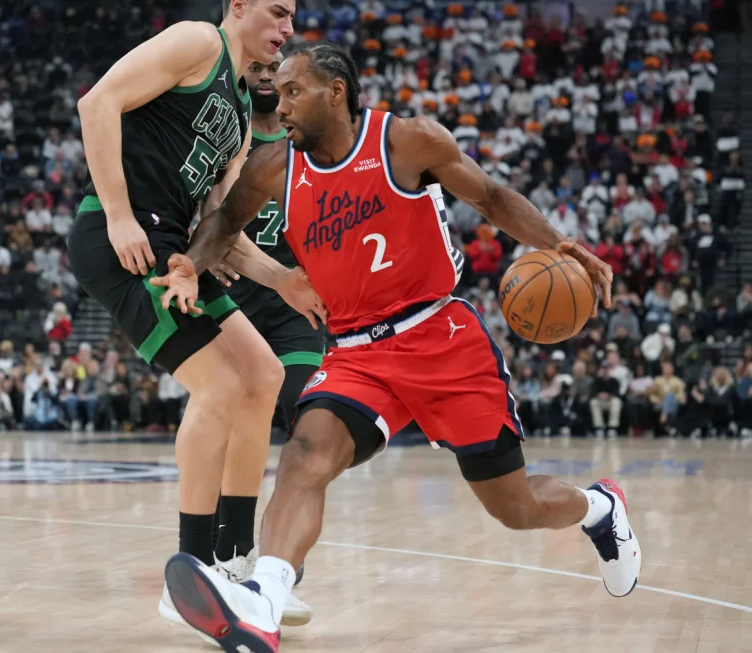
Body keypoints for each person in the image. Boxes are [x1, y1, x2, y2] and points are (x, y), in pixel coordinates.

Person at [155, 43, 639, 652]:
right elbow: (223, 224)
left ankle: (599, 509)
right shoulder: (273, 167)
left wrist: (563, 245)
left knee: (514, 507)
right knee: (305, 454)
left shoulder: (406, 143)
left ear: (335, 92)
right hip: (357, 350)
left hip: (441, 337)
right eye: (276, 94)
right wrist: (189, 268)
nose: (280, 106)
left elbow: (490, 198)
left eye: (293, 92)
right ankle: (263, 601)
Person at [65, 0, 316, 629]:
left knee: (263, 376)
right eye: (278, 13)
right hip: (124, 238)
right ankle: (190, 571)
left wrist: (283, 279)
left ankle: (234, 563)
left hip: (175, 251)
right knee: (222, 385)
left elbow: (221, 227)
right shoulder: (197, 41)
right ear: (238, 7)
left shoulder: (237, 110)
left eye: (293, 19)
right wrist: (119, 215)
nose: (288, 30)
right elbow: (96, 104)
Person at [208, 51, 326, 579]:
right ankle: (226, 544)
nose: (265, 81)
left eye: (273, 76)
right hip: (234, 295)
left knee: (306, 426)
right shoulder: (223, 140)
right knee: (234, 423)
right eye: (255, 73)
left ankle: (279, 559)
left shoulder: (309, 144)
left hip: (293, 302)